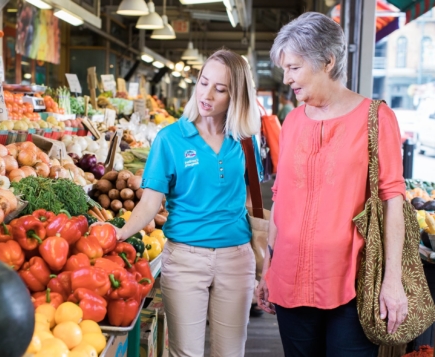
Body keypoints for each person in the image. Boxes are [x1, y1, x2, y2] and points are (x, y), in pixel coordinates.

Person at [255, 12, 407, 357]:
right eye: (284, 68)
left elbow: (392, 199)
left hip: (352, 283)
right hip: (289, 278)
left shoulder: (377, 117)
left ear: (327, 61)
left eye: (293, 67)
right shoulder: (292, 121)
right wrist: (268, 266)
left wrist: (392, 279)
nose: (286, 78)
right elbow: (280, 197)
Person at [102, 49, 262, 356]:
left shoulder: (245, 139)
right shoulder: (170, 139)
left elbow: (248, 197)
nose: (207, 94)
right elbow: (149, 204)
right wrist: (118, 233)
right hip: (186, 260)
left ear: (236, 95)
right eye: (204, 83)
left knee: (230, 353)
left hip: (237, 259)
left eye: (220, 88)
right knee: (185, 353)